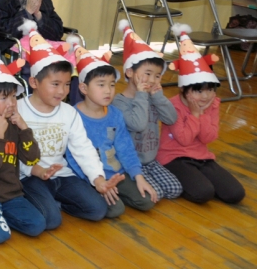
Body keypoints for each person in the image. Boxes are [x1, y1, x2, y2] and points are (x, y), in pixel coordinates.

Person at [16, 22, 124, 230]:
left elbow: (83, 148)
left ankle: (57, 203)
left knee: (97, 210)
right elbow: (11, 153)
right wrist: (36, 171)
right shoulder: (18, 110)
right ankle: (45, 204)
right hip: (31, 177)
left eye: (67, 84)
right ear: (34, 83)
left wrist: (98, 179)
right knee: (51, 221)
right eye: (55, 84)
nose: (62, 91)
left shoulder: (69, 112)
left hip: (61, 175)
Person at [0, 32, 45, 244]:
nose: (11, 103)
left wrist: (24, 129)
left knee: (38, 225)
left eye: (13, 96)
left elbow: (32, 159)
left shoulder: (14, 122)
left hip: (12, 194)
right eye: (3, 98)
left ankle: (0, 216)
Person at [157, 24, 245, 204]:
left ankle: (197, 178)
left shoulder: (213, 104)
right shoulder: (172, 106)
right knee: (204, 193)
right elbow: (184, 139)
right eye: (198, 91)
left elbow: (208, 137)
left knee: (235, 193)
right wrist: (195, 115)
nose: (205, 96)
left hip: (201, 156)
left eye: (210, 90)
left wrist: (202, 114)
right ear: (184, 89)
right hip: (175, 157)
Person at [68, 48, 158, 218]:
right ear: (84, 88)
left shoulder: (115, 114)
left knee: (146, 201)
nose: (108, 91)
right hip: (89, 178)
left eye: (112, 84)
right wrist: (96, 182)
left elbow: (125, 148)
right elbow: (72, 157)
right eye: (101, 84)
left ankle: (117, 194)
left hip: (116, 174)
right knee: (116, 210)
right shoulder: (72, 116)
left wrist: (138, 176)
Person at [111, 20, 183, 201]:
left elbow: (171, 118)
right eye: (148, 73)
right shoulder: (119, 102)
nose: (152, 80)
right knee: (155, 194)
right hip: (130, 163)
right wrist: (142, 95)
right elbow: (138, 124)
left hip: (151, 160)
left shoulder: (151, 96)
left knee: (175, 189)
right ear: (129, 72)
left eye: (157, 76)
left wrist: (158, 96)